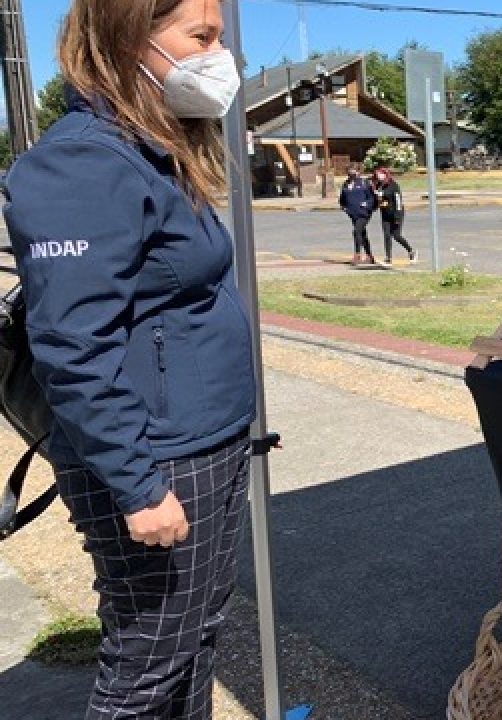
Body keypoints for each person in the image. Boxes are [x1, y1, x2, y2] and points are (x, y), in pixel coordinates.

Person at [2, 0, 257, 716]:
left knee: (195, 636)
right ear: (128, 38)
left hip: (205, 440)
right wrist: (137, 488)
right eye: (200, 37)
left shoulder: (153, 149)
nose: (219, 56)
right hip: (154, 455)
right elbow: (71, 346)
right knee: (147, 662)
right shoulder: (83, 162)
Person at [372, 167, 417, 264]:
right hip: (385, 214)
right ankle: (388, 258)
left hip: (396, 213)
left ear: (386, 174)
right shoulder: (378, 186)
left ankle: (411, 251)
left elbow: (398, 202)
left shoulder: (394, 185)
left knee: (396, 235)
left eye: (381, 174)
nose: (379, 176)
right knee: (387, 235)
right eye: (377, 175)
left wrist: (397, 217)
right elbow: (378, 200)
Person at [339, 164, 377, 265]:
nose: (351, 172)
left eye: (354, 170)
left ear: (358, 171)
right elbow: (342, 198)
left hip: (364, 213)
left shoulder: (365, 183)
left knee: (356, 231)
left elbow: (372, 198)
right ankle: (369, 256)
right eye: (349, 170)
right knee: (362, 234)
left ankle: (357, 255)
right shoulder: (346, 184)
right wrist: (344, 207)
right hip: (353, 214)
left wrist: (367, 204)